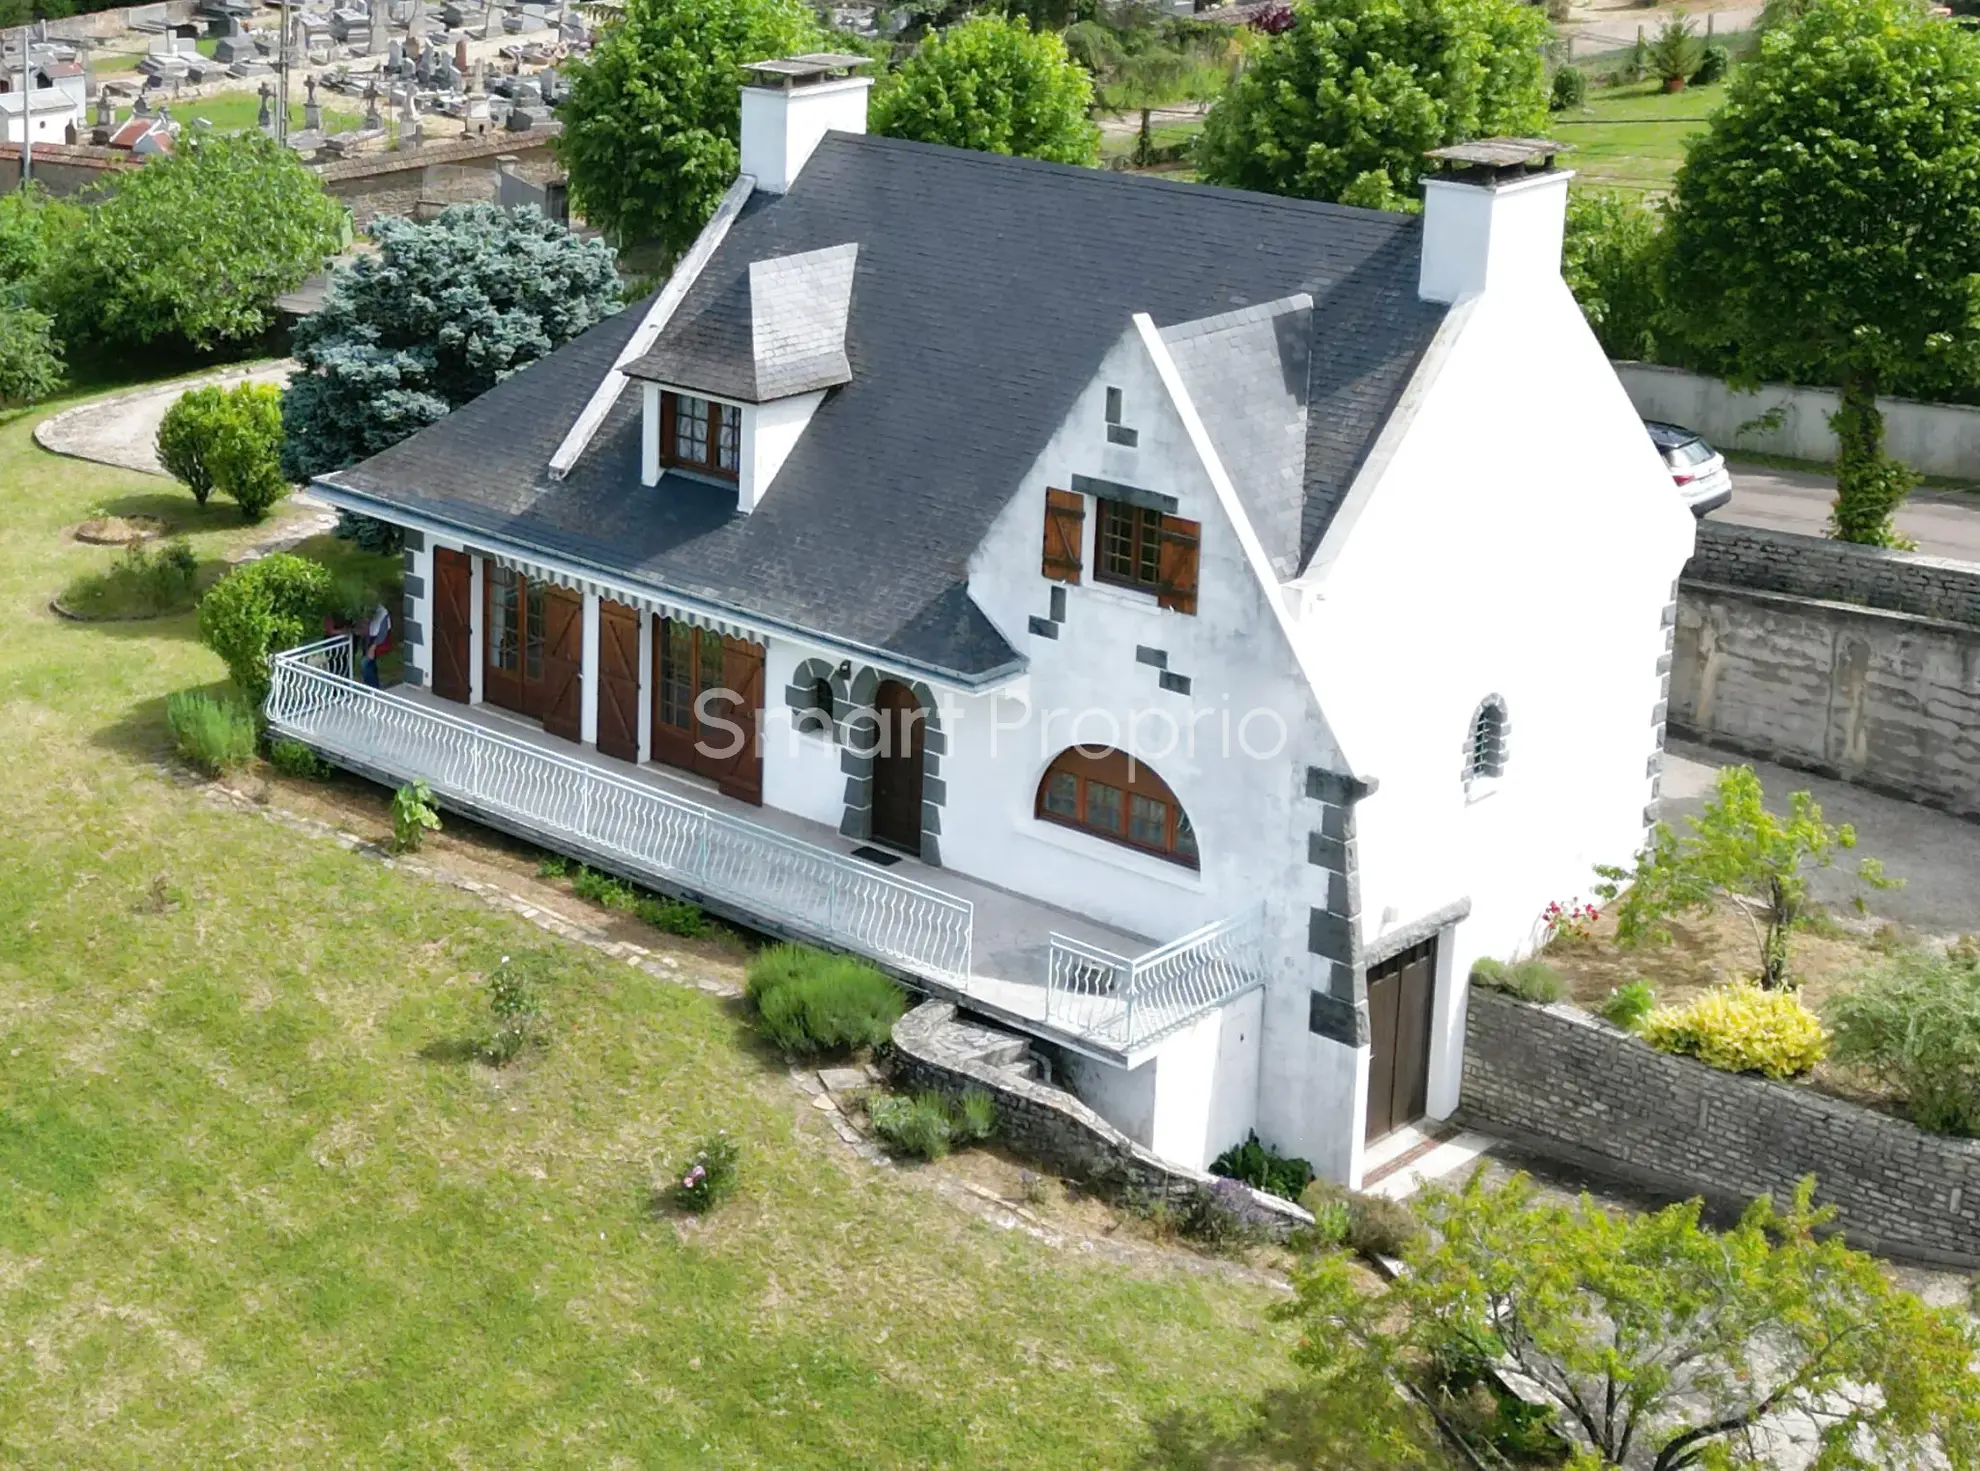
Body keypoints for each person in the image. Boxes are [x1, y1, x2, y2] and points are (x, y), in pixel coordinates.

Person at [361, 597, 392, 687]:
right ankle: (373, 685)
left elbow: (382, 633)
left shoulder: (383, 613)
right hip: (370, 640)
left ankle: (372, 686)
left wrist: (373, 647)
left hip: (377, 642)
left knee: (365, 663)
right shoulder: (370, 611)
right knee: (371, 665)